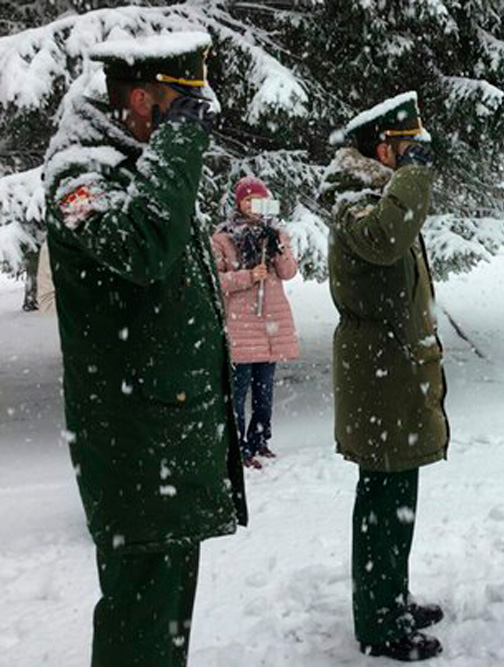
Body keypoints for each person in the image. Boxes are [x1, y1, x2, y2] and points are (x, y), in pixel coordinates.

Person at [43, 32, 247, 666]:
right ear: (140, 101)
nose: (195, 124)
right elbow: (141, 248)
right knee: (141, 618)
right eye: (181, 106)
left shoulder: (138, 169)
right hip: (135, 446)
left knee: (164, 617)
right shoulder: (81, 176)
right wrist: (179, 141)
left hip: (167, 434)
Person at [321, 91, 447, 661]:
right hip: (377, 373)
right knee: (381, 497)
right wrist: (414, 177)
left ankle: (391, 594)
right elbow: (385, 238)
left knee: (399, 491)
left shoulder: (375, 196)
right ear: (381, 148)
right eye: (406, 147)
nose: (417, 156)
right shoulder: (355, 202)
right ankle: (377, 622)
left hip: (395, 368)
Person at [212, 176, 300, 469]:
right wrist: (248, 277)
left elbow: (287, 273)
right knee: (238, 391)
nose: (252, 206)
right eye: (247, 200)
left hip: (270, 324)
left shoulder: (274, 234)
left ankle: (260, 439)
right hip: (241, 326)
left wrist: (280, 248)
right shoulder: (223, 238)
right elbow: (215, 281)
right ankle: (237, 447)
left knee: (265, 389)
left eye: (257, 200)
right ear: (238, 203)